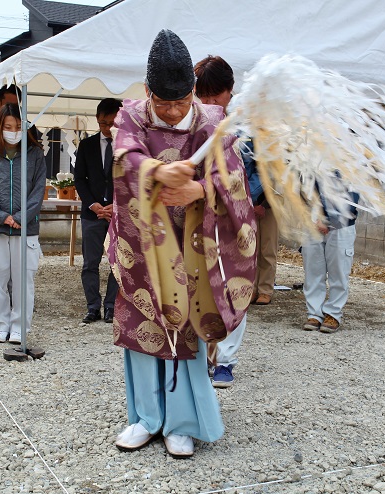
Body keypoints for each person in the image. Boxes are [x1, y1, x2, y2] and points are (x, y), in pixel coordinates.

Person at [108, 30, 256, 458]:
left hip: (193, 245)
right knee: (143, 327)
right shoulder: (131, 116)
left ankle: (181, 423)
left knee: (185, 331)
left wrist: (201, 191)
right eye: (163, 102)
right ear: (147, 91)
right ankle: (145, 418)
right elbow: (125, 156)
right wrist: (154, 169)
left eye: (181, 101)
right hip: (143, 245)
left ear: (193, 91)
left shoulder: (212, 123)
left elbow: (233, 181)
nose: (173, 113)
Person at [193, 54, 253, 389]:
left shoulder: (242, 125)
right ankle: (201, 355)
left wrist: (247, 200)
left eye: (217, 95)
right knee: (199, 288)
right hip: (198, 216)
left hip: (235, 218)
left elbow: (258, 169)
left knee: (234, 286)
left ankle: (226, 360)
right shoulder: (192, 123)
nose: (211, 102)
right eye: (204, 95)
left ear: (230, 92)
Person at [0, 103, 47, 344]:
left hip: (25, 228)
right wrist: (1, 216)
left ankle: (19, 327)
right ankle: (0, 324)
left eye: (18, 127)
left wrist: (19, 217)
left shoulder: (35, 153)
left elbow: (38, 191)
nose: (13, 131)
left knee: (23, 280)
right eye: (8, 127)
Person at [74, 98, 123, 324]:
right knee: (90, 263)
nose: (108, 128)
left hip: (118, 214)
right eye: (104, 124)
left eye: (113, 124)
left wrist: (118, 204)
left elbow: (132, 180)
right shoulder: (86, 145)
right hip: (92, 212)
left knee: (118, 262)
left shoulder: (128, 147)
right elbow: (79, 179)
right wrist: (92, 204)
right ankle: (92, 306)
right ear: (97, 120)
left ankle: (112, 306)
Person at [301, 191, 358, 334]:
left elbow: (351, 197)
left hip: (341, 224)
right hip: (311, 221)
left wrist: (328, 219)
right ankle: (314, 314)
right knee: (312, 270)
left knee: (338, 271)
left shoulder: (350, 169)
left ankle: (333, 313)